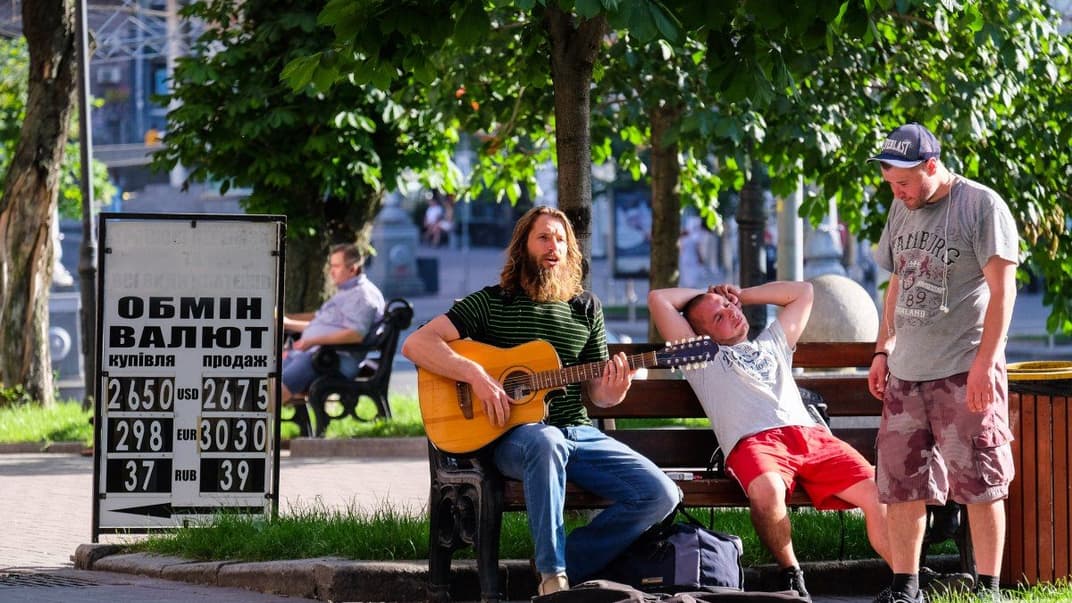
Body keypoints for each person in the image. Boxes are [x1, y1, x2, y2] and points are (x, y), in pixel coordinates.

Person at [402, 206, 680, 596]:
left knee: (661, 494)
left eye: (561, 240)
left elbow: (597, 393)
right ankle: (553, 579)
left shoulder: (585, 309)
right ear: (523, 246)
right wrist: (478, 377)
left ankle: (571, 561)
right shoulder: (491, 302)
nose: (554, 247)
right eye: (544, 237)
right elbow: (417, 343)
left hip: (578, 434)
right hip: (512, 436)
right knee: (545, 441)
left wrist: (615, 389)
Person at [649, 280, 892, 602]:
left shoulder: (772, 342)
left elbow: (803, 292)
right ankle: (791, 573)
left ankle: (907, 576)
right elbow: (658, 299)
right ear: (703, 335)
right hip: (756, 443)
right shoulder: (702, 358)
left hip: (811, 436)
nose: (730, 314)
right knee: (767, 491)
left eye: (728, 307)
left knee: (879, 491)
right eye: (718, 317)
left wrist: (739, 295)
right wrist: (704, 297)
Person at [865, 123, 1019, 603]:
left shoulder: (981, 206)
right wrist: (881, 347)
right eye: (891, 183)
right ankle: (906, 589)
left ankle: (989, 590)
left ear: (932, 165)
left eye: (905, 183)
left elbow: (1003, 290)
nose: (899, 192)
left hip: (962, 371)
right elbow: (898, 280)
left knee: (981, 483)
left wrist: (984, 363)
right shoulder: (901, 205)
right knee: (901, 487)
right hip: (906, 375)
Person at [281, 243, 385, 403]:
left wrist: (311, 341)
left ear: (353, 269)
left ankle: (256, 423)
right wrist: (288, 323)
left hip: (330, 360)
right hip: (318, 355)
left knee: (274, 388)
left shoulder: (362, 296)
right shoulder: (347, 292)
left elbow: (355, 334)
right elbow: (321, 325)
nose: (331, 271)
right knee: (265, 373)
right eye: (331, 266)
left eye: (336, 266)